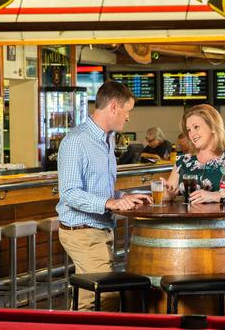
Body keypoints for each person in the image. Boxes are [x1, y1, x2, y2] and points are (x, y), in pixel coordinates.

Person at [56, 81, 152, 310]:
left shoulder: (107, 138)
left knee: (89, 298)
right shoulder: (76, 141)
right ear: (114, 107)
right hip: (82, 232)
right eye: (127, 111)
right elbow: (69, 193)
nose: (128, 117)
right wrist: (110, 202)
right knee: (104, 299)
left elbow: (101, 189)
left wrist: (124, 196)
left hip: (99, 230)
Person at [162, 104, 225, 203]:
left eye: (196, 127)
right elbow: (167, 193)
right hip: (189, 218)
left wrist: (214, 196)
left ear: (213, 127)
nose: (192, 134)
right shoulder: (183, 161)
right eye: (189, 130)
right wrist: (168, 194)